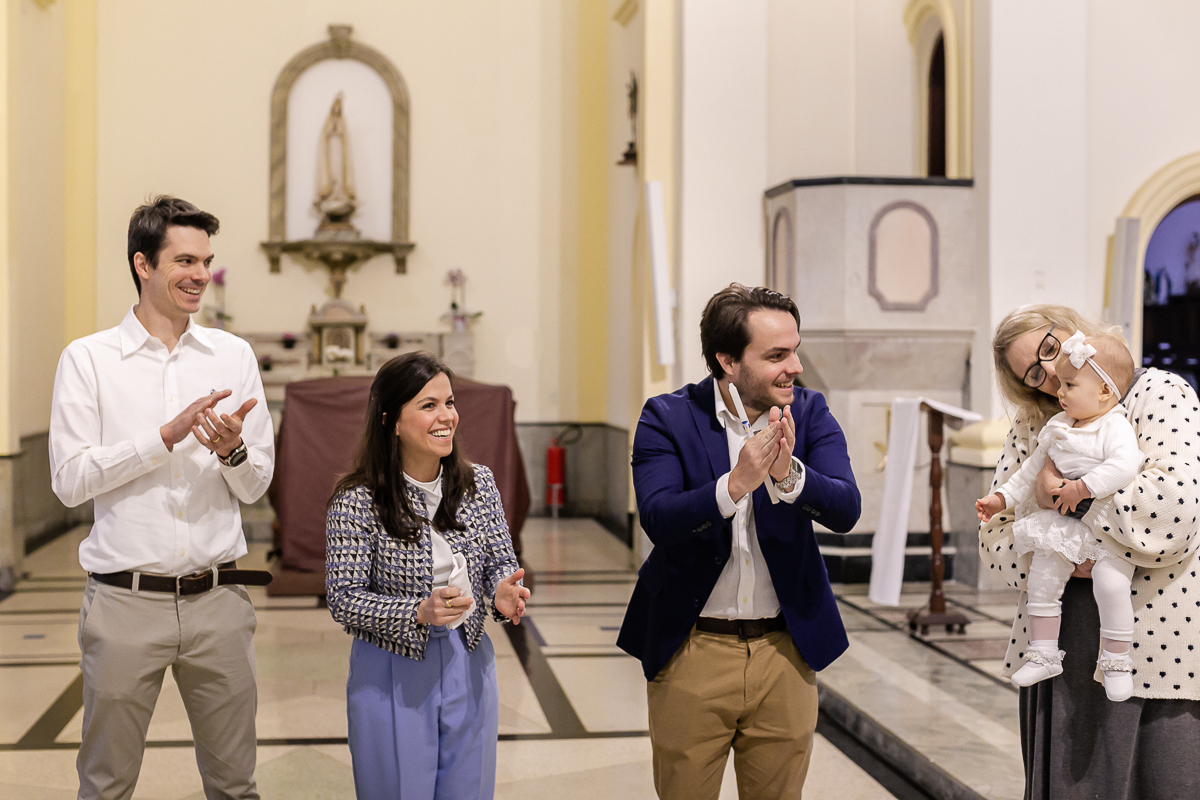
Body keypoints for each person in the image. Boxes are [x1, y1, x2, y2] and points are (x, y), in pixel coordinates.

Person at [49, 196, 274, 800]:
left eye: (205, 260)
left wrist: (231, 452)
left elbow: (256, 486)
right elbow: (69, 480)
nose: (200, 274)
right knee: (106, 785)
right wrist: (163, 439)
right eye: (184, 260)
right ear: (142, 264)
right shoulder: (89, 360)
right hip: (125, 604)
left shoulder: (234, 356)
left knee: (235, 785)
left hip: (219, 603)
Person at [617, 284, 860, 800]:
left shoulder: (810, 413)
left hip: (784, 651)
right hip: (694, 647)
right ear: (728, 360)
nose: (794, 366)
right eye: (776, 355)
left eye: (795, 349)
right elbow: (659, 517)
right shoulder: (668, 416)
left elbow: (845, 508)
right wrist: (733, 484)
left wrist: (790, 475)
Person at [980, 304, 1200, 798]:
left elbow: (1175, 514)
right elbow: (994, 538)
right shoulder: (1039, 423)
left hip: (1159, 639)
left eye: (1050, 348)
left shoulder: (1160, 393)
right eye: (1035, 373)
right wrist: (1068, 547)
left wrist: (1060, 502)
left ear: (1072, 328)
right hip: (1062, 643)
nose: (1051, 373)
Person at [325, 351, 530, 800]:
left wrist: (501, 591)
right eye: (428, 405)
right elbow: (344, 598)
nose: (446, 417)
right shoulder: (357, 500)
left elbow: (499, 560)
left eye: (450, 402)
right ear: (391, 421)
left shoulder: (479, 484)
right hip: (391, 668)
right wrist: (418, 610)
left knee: (469, 789)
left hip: (468, 658)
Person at [976, 331, 1141, 700]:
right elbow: (1029, 473)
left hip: (1108, 532)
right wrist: (1000, 498)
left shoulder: (1113, 424)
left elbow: (1125, 465)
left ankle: (1117, 660)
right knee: (1043, 577)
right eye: (1056, 384)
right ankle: (1044, 652)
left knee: (1111, 584)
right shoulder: (1057, 426)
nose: (1059, 391)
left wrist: (1081, 489)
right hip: (1064, 527)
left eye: (1069, 384)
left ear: (1103, 392)